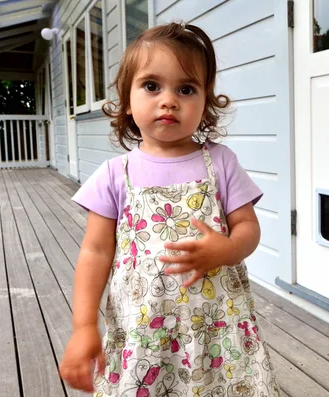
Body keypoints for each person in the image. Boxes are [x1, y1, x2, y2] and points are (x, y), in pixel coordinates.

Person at [58, 22, 281, 397]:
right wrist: (84, 326)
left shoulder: (220, 163)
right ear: (127, 101)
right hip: (144, 331)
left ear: (206, 102)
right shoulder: (116, 173)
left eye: (186, 89)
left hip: (217, 327)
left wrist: (227, 249)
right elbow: (95, 251)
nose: (169, 100)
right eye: (151, 86)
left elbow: (247, 226)